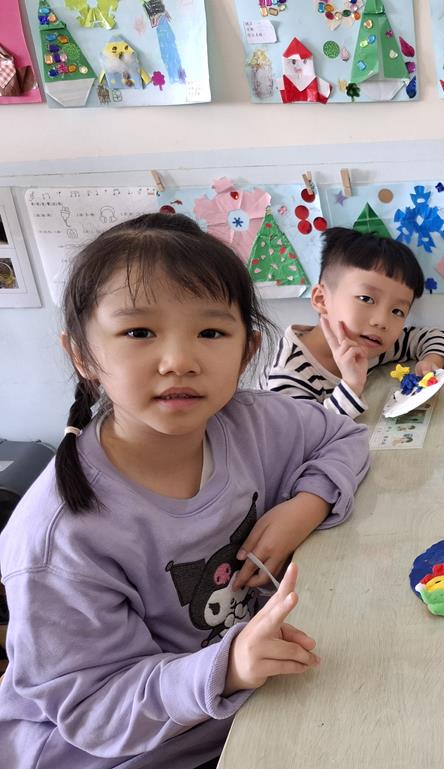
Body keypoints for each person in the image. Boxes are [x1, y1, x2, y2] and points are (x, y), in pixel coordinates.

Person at [0, 214, 370, 769]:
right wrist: (228, 667)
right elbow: (94, 707)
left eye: (211, 333)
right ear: (83, 354)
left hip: (251, 709)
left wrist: (306, 504)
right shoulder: (59, 537)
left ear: (248, 350)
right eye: (139, 332)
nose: (179, 361)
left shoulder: (250, 422)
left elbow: (344, 438)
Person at [264, 227, 444, 418]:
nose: (381, 322)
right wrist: (351, 385)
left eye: (397, 311)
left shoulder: (371, 343)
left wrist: (431, 361)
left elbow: (432, 337)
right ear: (322, 300)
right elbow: (302, 434)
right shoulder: (288, 374)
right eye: (366, 299)